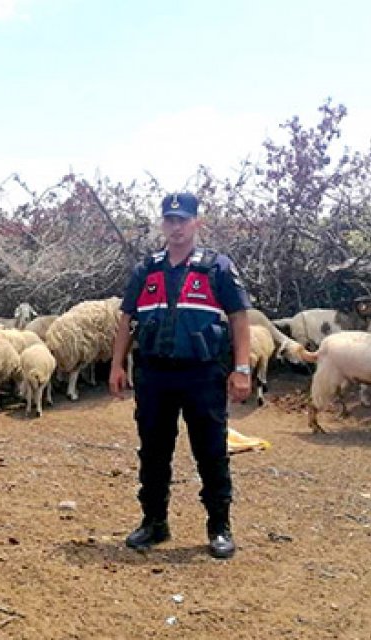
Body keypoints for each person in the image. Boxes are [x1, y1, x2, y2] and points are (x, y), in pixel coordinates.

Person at [109, 193, 253, 559]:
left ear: (196, 223)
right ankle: (154, 522)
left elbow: (239, 318)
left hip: (202, 374)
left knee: (211, 451)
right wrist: (117, 364)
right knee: (154, 451)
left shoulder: (217, 267)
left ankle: (219, 526)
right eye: (170, 219)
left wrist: (241, 369)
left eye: (182, 220)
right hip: (154, 375)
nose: (176, 226)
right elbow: (127, 319)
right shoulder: (146, 269)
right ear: (163, 223)